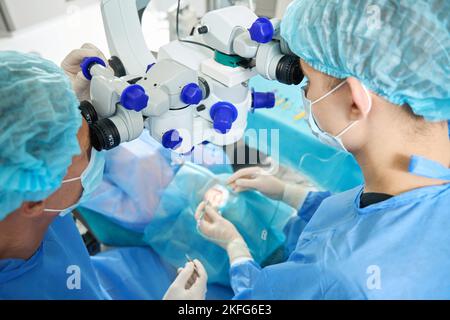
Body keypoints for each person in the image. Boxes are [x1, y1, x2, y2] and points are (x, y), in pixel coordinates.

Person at [194, 0, 450, 299]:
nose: (304, 93)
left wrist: (234, 248)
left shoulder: (335, 274)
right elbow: (381, 222)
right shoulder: (423, 171)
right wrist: (288, 193)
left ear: (356, 100)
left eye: (307, 82)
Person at [0, 49, 207, 300]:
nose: (99, 155)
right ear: (35, 201)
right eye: (90, 148)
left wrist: (54, 102)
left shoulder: (20, 195)